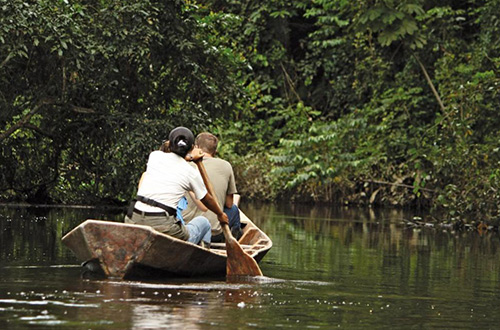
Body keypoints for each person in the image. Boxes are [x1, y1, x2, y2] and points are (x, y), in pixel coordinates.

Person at [124, 127, 228, 248]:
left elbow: (171, 155)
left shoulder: (154, 156)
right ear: (191, 148)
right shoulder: (190, 172)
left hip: (133, 219)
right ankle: (201, 257)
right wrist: (220, 214)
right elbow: (207, 200)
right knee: (204, 223)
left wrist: (189, 156)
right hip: (163, 225)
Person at [183, 132, 242, 242]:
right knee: (234, 209)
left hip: (187, 229)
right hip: (215, 232)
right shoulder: (226, 165)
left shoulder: (185, 165)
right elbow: (229, 204)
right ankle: (233, 241)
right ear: (215, 151)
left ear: (196, 147)